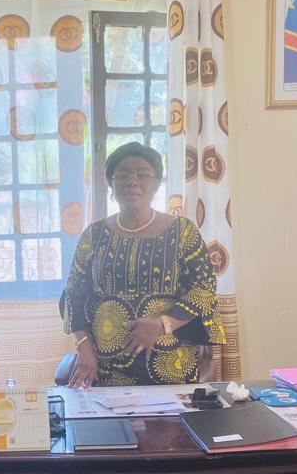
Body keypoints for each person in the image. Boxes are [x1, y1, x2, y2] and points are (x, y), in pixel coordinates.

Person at [62, 141, 225, 388]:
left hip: (172, 366)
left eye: (142, 174)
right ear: (111, 184)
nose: (132, 181)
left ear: (156, 183)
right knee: (105, 415)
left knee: (173, 416)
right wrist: (83, 347)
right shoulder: (93, 236)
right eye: (122, 174)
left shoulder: (183, 231)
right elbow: (74, 295)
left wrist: (164, 323)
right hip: (105, 370)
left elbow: (204, 288)